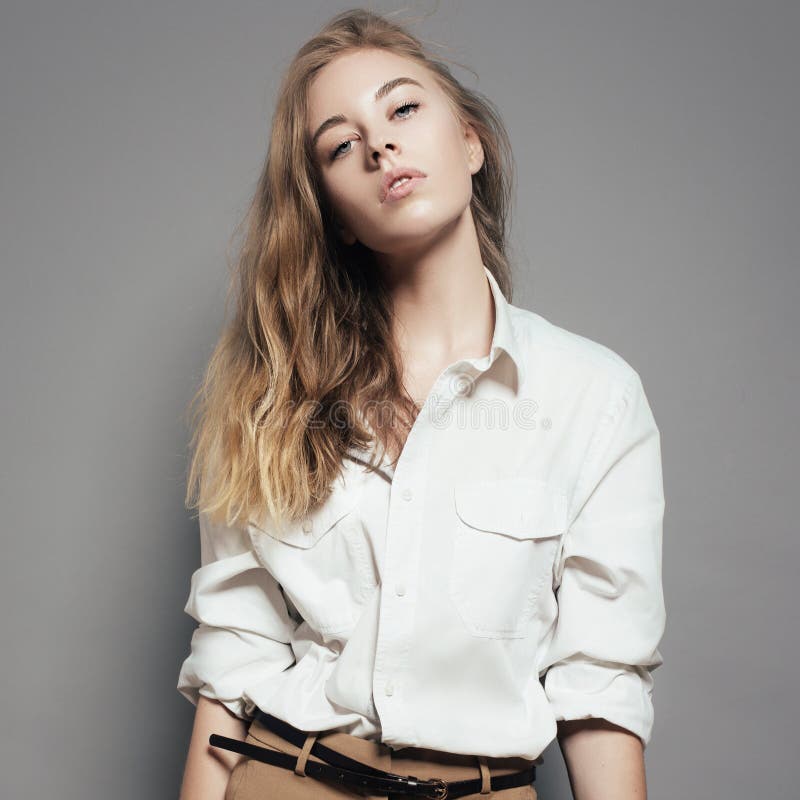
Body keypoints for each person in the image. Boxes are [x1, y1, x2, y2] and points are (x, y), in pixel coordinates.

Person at [176, 8, 666, 800]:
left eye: (403, 108)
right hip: (287, 778)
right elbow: (233, 661)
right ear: (332, 216)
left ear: (471, 142)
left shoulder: (593, 397)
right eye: (340, 144)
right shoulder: (271, 399)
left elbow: (601, 690)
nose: (380, 146)